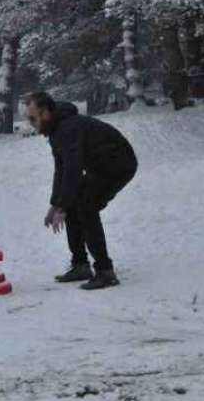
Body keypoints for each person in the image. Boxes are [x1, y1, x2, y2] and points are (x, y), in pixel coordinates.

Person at [25, 92, 138, 290]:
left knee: (86, 206)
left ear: (45, 113)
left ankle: (105, 271)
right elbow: (61, 169)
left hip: (119, 164)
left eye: (33, 118)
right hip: (100, 166)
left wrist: (63, 205)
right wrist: (56, 204)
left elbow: (73, 169)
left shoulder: (69, 128)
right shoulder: (56, 129)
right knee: (74, 202)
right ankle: (80, 265)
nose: (31, 123)